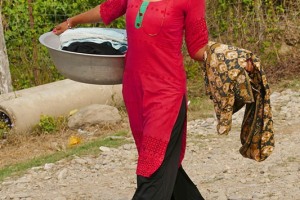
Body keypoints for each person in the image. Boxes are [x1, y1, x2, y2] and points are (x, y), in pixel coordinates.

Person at [53, 0, 208, 199]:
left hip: (166, 95)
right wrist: (72, 21)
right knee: (165, 167)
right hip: (135, 92)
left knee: (151, 169)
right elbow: (107, 9)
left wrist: (231, 57)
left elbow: (198, 49)